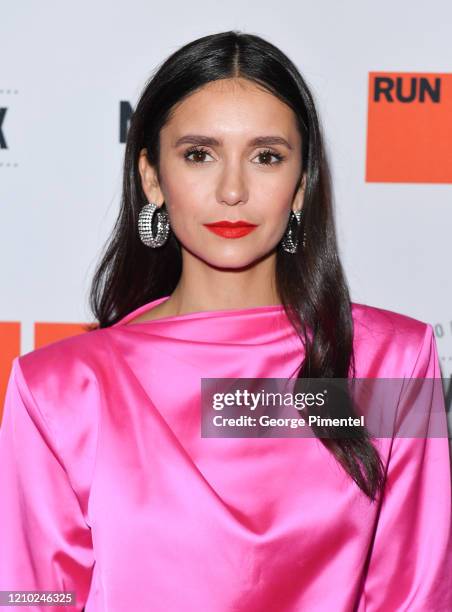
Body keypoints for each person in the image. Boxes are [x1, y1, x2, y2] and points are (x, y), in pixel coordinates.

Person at [0, 30, 451, 611]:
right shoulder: (61, 391)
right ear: (152, 178)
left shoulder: (392, 364)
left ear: (301, 185)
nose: (233, 190)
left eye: (266, 157)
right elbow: (32, 598)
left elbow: (415, 596)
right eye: (199, 154)